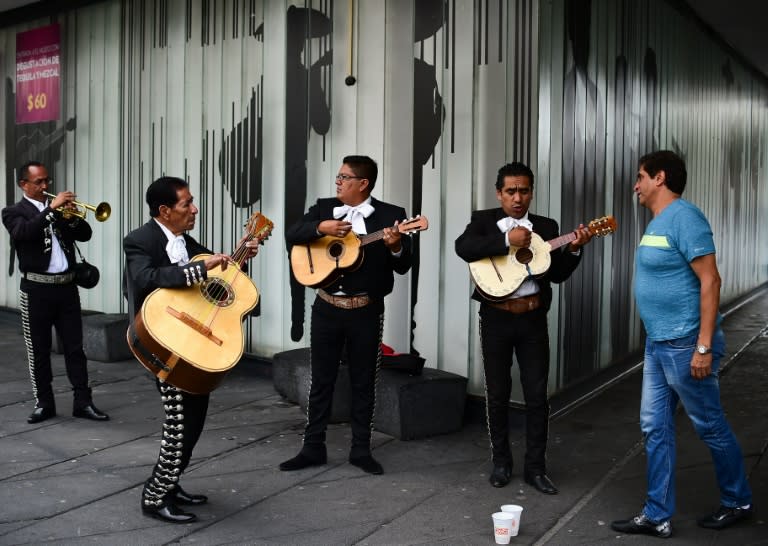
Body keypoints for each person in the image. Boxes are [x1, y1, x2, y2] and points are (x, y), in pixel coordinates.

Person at [611, 150, 752, 538]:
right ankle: (657, 514)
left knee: (709, 425)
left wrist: (703, 347)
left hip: (685, 342)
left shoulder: (686, 218)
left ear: (660, 178)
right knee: (654, 427)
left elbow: (711, 281)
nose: (635, 185)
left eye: (640, 177)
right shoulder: (658, 222)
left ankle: (737, 500)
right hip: (658, 344)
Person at [123, 176, 260, 523]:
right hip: (163, 340)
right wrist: (200, 267)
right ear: (165, 210)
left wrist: (241, 256)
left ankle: (171, 484)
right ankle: (155, 497)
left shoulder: (184, 240)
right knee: (179, 423)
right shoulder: (139, 240)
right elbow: (146, 278)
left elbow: (214, 274)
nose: (194, 208)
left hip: (190, 341)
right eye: (186, 204)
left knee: (194, 420)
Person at [454, 161, 592, 494]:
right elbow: (464, 248)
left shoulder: (546, 225)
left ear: (532, 192)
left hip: (532, 319)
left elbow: (556, 274)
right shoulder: (483, 221)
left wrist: (573, 248)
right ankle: (501, 463)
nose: (518, 198)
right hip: (496, 318)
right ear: (499, 192)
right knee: (498, 393)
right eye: (511, 191)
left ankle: (535, 468)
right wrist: (506, 240)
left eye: (524, 190)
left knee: (536, 395)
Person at [280, 155, 412, 476]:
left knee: (363, 380)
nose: (337, 182)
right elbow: (292, 234)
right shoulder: (325, 208)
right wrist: (318, 227)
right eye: (338, 176)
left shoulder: (392, 216)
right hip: (326, 307)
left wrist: (395, 245)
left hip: (365, 311)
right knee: (321, 379)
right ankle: (313, 447)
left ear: (363, 184)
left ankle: (361, 449)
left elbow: (403, 264)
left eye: (344, 177)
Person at [2, 161, 109, 424]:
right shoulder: (13, 212)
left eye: (46, 181)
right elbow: (24, 233)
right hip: (36, 290)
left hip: (67, 288)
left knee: (75, 348)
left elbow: (85, 235)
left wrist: (70, 216)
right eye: (38, 182)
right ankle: (44, 403)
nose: (45, 186)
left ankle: (83, 402)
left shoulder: (58, 211)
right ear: (23, 185)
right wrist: (51, 210)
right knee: (38, 350)